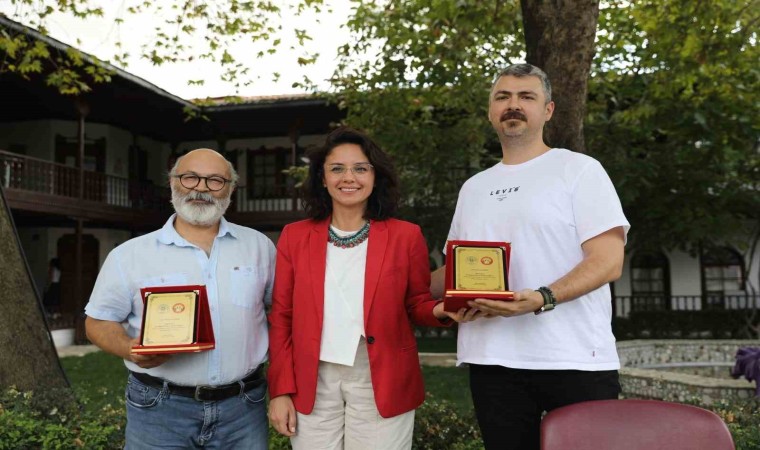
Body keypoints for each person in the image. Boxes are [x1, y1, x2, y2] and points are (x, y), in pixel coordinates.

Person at [430, 63, 630, 450]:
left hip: (574, 358)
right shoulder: (474, 187)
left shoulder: (580, 170)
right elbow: (456, 270)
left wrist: (542, 298)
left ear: (548, 110)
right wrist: (396, 281)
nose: (514, 105)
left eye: (526, 97)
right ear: (491, 111)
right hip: (492, 359)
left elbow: (608, 261)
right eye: (503, 96)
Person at [267, 127, 477, 449]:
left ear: (375, 176)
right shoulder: (294, 237)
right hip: (312, 376)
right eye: (337, 168)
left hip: (381, 372)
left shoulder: (406, 236)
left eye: (360, 168)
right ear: (322, 178)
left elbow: (417, 303)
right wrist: (280, 390)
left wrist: (442, 309)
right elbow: (282, 316)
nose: (348, 177)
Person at [84, 148, 275, 449]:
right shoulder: (129, 255)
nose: (201, 188)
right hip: (159, 409)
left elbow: (280, 312)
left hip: (243, 408)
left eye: (215, 180)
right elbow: (97, 322)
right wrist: (129, 349)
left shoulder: (259, 247)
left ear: (230, 189)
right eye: (190, 178)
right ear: (173, 182)